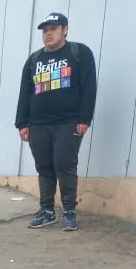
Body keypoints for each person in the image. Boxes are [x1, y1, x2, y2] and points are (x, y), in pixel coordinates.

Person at [14, 12, 97, 232]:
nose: (48, 33)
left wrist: (84, 118)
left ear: (65, 30)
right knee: (44, 167)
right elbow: (25, 92)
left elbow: (89, 88)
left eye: (53, 29)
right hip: (38, 124)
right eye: (45, 30)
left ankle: (69, 211)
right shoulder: (34, 60)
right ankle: (47, 211)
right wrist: (22, 123)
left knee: (64, 164)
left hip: (68, 122)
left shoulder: (79, 53)